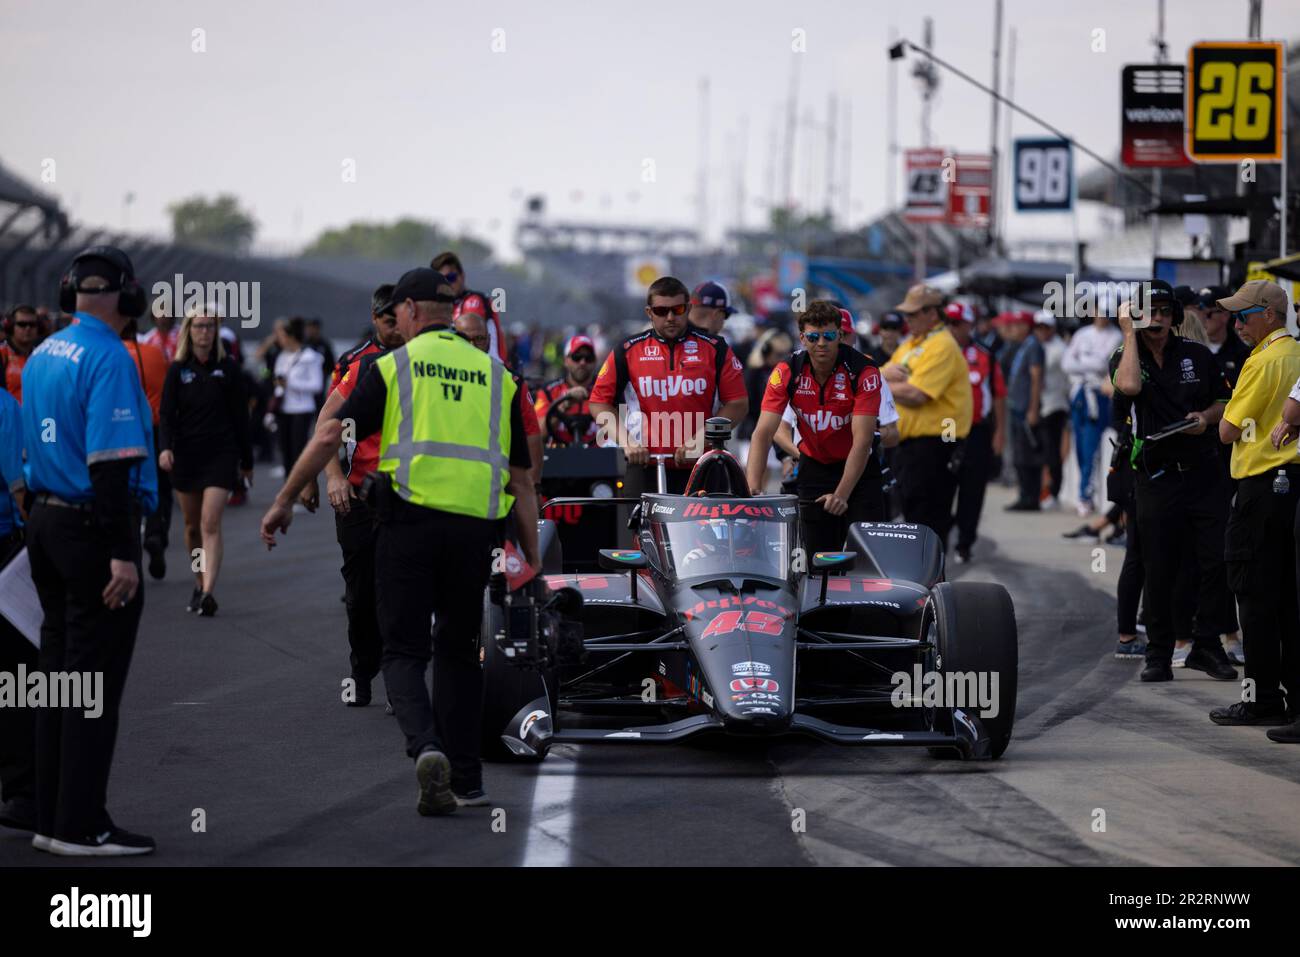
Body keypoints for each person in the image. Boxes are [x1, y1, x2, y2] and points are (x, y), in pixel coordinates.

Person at [261, 267, 539, 814]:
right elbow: (522, 480)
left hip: (407, 527)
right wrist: (532, 560)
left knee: (404, 651)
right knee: (460, 655)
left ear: (411, 311)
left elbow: (327, 432)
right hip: (475, 533)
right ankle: (468, 780)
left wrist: (285, 499)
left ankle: (426, 747)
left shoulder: (394, 367)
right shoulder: (498, 375)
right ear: (452, 313)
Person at [21, 245, 158, 855]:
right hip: (90, 529)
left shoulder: (45, 351)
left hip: (46, 524)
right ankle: (82, 826)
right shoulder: (109, 357)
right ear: (127, 297)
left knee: (58, 682)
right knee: (93, 685)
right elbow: (112, 468)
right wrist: (123, 553)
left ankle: (50, 819)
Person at [1111, 281, 1238, 684]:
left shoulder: (1197, 355)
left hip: (1203, 472)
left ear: (1175, 316)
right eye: (1149, 311)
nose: (1158, 319)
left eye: (1164, 311)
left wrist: (1205, 417)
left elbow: (1223, 402)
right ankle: (1159, 652)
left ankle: (1207, 644)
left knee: (1214, 562)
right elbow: (1129, 387)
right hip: (1155, 476)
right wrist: (1130, 333)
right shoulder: (1125, 356)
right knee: (1159, 566)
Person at [303, 283, 406, 707]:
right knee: (361, 595)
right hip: (359, 494)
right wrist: (326, 478)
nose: (395, 327)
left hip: (409, 498)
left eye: (400, 318)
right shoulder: (357, 365)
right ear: (375, 317)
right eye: (387, 320)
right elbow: (326, 425)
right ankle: (362, 672)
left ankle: (402, 678)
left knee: (400, 591)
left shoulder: (427, 361)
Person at [1212, 280, 1300, 733]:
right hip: (1292, 488)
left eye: (1244, 315)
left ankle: (1261, 697)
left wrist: (1219, 412)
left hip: (1260, 488)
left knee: (1254, 596)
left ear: (1269, 315)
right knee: (1289, 599)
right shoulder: (1296, 356)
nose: (1236, 323)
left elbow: (1228, 430)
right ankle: (1291, 699)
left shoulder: (1264, 359)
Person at [589, 276, 748, 494]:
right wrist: (627, 443)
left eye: (678, 309)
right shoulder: (627, 350)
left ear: (688, 309)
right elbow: (599, 403)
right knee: (640, 529)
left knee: (712, 529)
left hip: (703, 466)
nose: (671, 317)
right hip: (645, 465)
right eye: (662, 311)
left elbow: (738, 403)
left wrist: (701, 439)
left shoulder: (716, 348)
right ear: (649, 312)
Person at [746, 300, 882, 552]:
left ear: (840, 335)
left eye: (829, 335)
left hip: (860, 469)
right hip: (814, 467)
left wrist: (842, 494)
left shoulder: (864, 370)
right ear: (802, 338)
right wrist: (752, 490)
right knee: (816, 557)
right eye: (813, 336)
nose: (821, 343)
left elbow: (863, 441)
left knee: (866, 558)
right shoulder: (787, 370)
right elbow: (763, 434)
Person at [158, 304, 253, 617]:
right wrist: (165, 448)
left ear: (216, 332)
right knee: (191, 527)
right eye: (199, 326)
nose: (204, 332)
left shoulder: (228, 368)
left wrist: (247, 459)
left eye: (210, 327)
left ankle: (210, 590)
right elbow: (167, 415)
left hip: (220, 455)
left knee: (210, 523)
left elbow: (241, 417)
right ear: (189, 330)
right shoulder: (177, 370)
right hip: (186, 455)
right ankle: (199, 582)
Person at [881, 284, 973, 543]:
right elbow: (882, 378)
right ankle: (923, 578)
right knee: (913, 516)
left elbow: (917, 394)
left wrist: (883, 380)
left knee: (928, 521)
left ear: (932, 313)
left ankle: (931, 580)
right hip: (911, 447)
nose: (907, 319)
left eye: (913, 314)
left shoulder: (941, 345)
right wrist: (883, 378)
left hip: (935, 445)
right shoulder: (912, 344)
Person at [454, 308, 544, 491]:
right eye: (465, 339)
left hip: (495, 487)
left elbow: (532, 436)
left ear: (488, 341)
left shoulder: (512, 382)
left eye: (478, 339)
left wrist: (533, 487)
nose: (472, 345)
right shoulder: (437, 379)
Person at [947, 302, 1006, 563]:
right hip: (944, 431)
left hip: (976, 431)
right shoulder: (935, 353)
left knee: (973, 491)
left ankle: (964, 544)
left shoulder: (985, 355)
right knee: (941, 487)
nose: (952, 328)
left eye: (958, 324)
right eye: (949, 323)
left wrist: (999, 433)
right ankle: (939, 538)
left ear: (969, 325)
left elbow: (999, 396)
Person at [0, 384, 34, 833]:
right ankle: (23, 793)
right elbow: (19, 484)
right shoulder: (6, 407)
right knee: (15, 675)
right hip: (5, 547)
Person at [120, 319, 171, 580]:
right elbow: (167, 391)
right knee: (159, 487)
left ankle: (130, 550)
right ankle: (155, 534)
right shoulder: (153, 352)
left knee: (127, 491)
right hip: (154, 428)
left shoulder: (112, 355)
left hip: (121, 433)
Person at [1061, 308, 1123, 516]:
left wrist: (1086, 362)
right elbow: (1067, 363)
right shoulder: (1082, 334)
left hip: (1098, 395)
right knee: (1079, 446)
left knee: (1091, 445)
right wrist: (1090, 364)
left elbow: (1106, 365)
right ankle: (1085, 491)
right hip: (1080, 393)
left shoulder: (1116, 336)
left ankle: (1085, 495)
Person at [272, 317, 325, 483]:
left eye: (281, 336)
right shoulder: (281, 356)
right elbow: (278, 382)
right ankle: (289, 490)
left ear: (290, 336)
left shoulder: (310, 357)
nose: (279, 340)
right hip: (284, 409)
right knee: (285, 451)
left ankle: (303, 488)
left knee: (299, 451)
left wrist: (290, 383)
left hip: (302, 409)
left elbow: (317, 385)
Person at [432, 250, 507, 363]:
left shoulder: (473, 301)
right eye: (442, 280)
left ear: (462, 276)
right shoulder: (451, 305)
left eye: (451, 277)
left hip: (491, 369)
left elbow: (470, 340)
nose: (448, 283)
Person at [1003, 311, 1045, 511]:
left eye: (1018, 325)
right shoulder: (1023, 346)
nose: (1013, 329)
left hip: (1025, 409)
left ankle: (1030, 497)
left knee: (1027, 456)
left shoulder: (1033, 346)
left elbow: (1036, 379)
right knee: (1019, 455)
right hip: (1016, 407)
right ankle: (1024, 494)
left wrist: (1033, 409)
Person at [534, 334, 600, 447]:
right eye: (576, 357)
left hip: (601, 458)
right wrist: (563, 405)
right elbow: (537, 435)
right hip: (558, 458)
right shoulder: (548, 392)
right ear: (565, 360)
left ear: (594, 361)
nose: (582, 362)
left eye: (588, 358)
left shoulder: (606, 390)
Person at [1034, 312, 1070, 510]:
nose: (1041, 331)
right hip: (1041, 405)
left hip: (1055, 405)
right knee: (1042, 451)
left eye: (1045, 327)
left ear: (1052, 328)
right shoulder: (1037, 346)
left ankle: (1053, 492)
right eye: (1038, 327)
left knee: (1052, 453)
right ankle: (1043, 490)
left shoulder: (1059, 349)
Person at [2, 304, 42, 402]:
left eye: (32, 324)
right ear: (11, 327)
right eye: (22, 324)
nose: (28, 328)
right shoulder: (3, 354)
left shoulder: (42, 355)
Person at [304, 318, 336, 386]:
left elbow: (331, 364)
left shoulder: (324, 345)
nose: (310, 331)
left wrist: (324, 374)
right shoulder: (304, 344)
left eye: (313, 328)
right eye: (309, 328)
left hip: (321, 381)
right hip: (305, 380)